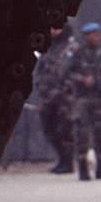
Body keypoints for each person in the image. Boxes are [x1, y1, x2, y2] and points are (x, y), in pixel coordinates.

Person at [66, 22, 101, 181]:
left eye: (98, 34)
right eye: (94, 35)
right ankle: (83, 169)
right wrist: (82, 79)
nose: (97, 37)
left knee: (100, 133)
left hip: (98, 99)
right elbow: (67, 74)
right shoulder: (77, 54)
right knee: (82, 134)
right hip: (82, 99)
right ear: (87, 37)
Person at [32, 24, 77, 175]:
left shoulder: (71, 48)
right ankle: (62, 158)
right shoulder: (46, 48)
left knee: (64, 130)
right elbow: (39, 71)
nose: (53, 31)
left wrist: (61, 91)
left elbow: (73, 73)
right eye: (51, 28)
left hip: (64, 98)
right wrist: (40, 89)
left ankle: (68, 162)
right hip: (47, 97)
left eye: (57, 28)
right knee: (49, 130)